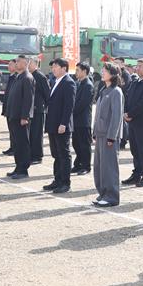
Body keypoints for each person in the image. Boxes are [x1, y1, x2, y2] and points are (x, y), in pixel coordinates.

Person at [92, 64, 125, 206]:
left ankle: (112, 196)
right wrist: (95, 132)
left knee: (109, 167)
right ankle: (103, 193)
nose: (102, 73)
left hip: (109, 136)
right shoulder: (103, 90)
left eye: (105, 71)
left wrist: (112, 136)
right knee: (99, 166)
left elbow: (116, 116)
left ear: (112, 74)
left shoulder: (116, 92)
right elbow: (98, 113)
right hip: (100, 134)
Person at [42, 58, 76, 193]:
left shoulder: (68, 83)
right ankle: (57, 180)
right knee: (56, 154)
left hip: (61, 125)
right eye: (53, 67)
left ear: (64, 68)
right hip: (53, 124)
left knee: (64, 154)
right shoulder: (56, 81)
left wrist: (63, 123)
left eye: (56, 67)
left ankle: (65, 182)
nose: (53, 69)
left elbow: (69, 106)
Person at [3, 55, 35, 178]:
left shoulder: (27, 78)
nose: (16, 63)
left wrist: (25, 117)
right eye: (16, 61)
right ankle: (18, 167)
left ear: (26, 63)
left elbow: (28, 99)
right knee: (16, 144)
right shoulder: (18, 77)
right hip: (13, 115)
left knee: (22, 144)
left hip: (21, 118)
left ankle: (23, 170)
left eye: (18, 61)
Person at [71, 62, 94, 175]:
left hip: (83, 120)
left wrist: (71, 111)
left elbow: (82, 104)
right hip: (75, 120)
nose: (76, 72)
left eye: (78, 70)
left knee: (84, 144)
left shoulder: (88, 85)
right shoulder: (78, 83)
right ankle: (78, 164)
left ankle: (86, 166)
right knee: (76, 143)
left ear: (84, 71)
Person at [27, 58, 49, 165]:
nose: (28, 65)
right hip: (30, 110)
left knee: (37, 134)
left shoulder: (40, 77)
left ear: (36, 64)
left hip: (38, 110)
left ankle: (37, 156)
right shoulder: (29, 75)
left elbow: (47, 94)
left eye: (30, 63)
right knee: (30, 134)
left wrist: (44, 106)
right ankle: (31, 154)